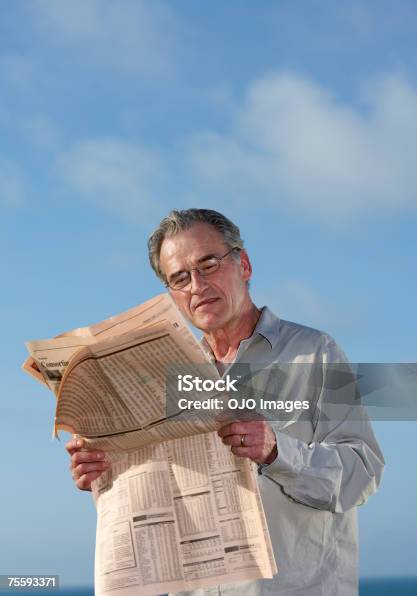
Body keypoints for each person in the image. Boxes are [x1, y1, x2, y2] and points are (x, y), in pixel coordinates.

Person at [67, 208, 384, 595]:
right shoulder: (163, 380)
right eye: (180, 278)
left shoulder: (314, 352)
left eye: (209, 264)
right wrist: (104, 477)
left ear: (244, 264)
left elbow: (363, 473)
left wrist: (275, 451)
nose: (196, 285)